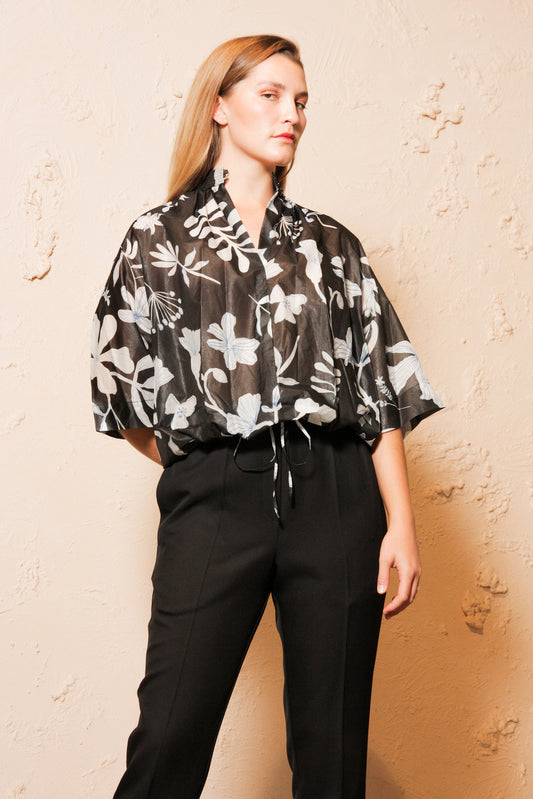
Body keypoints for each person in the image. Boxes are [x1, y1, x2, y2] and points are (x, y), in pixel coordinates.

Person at [90, 33, 445, 799]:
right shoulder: (157, 241)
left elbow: (379, 390)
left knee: (331, 749)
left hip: (337, 494)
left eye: (301, 100)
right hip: (216, 493)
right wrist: (210, 467)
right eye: (271, 95)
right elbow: (122, 395)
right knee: (170, 735)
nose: (292, 114)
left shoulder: (331, 245)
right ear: (219, 106)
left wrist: (400, 523)